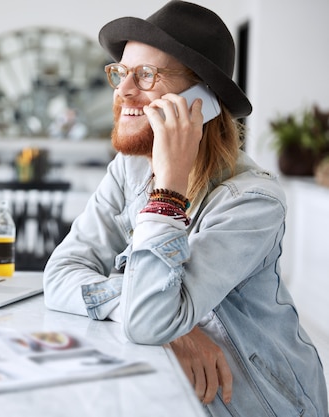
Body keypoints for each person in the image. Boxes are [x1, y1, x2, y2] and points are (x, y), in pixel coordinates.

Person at [43, 1, 328, 416]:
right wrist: (177, 328)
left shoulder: (253, 203)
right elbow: (61, 275)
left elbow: (148, 322)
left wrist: (169, 189)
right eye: (120, 74)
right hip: (177, 390)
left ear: (201, 101)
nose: (123, 92)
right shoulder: (129, 170)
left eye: (144, 75)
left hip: (262, 405)